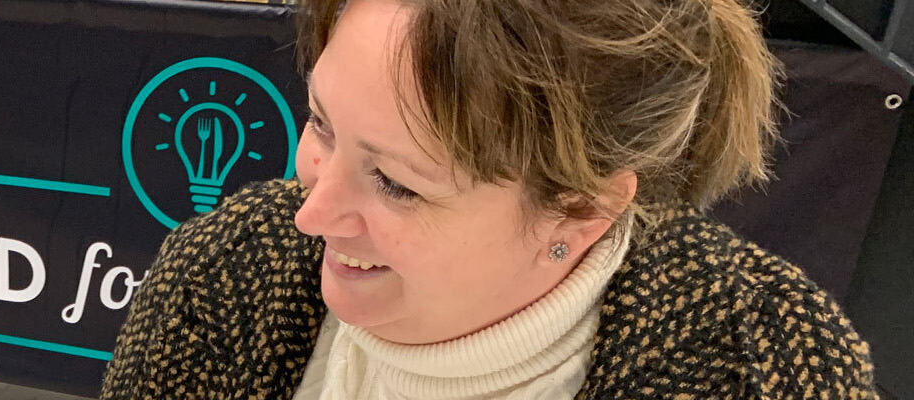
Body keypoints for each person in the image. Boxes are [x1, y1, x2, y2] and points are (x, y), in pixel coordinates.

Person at [101, 0, 878, 398]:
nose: (311, 214)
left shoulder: (764, 368)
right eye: (323, 124)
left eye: (397, 183)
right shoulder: (224, 273)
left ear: (581, 210)